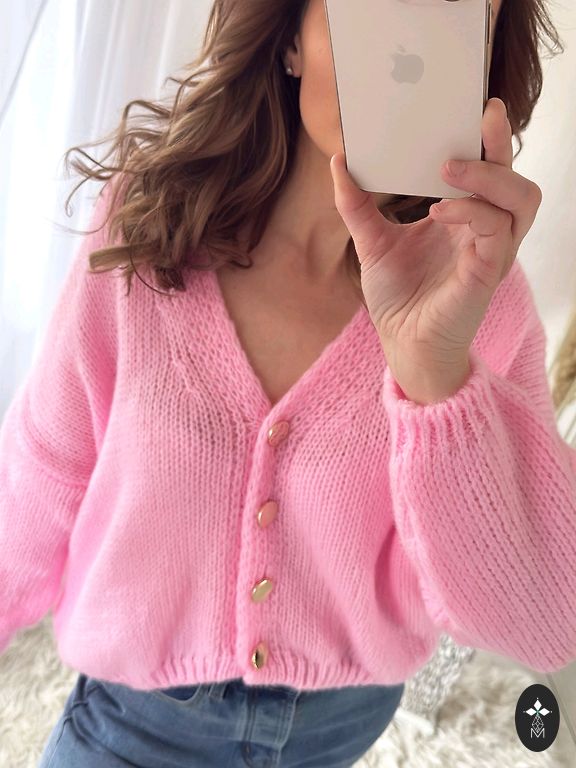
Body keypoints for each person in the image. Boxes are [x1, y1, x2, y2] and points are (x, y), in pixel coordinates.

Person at [1, 1, 574, 766]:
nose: (405, 53)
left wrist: (437, 379)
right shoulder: (151, 220)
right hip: (132, 723)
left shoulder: (479, 297)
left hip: (339, 728)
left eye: (454, 17)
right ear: (290, 41)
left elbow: (545, 622)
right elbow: (44, 466)